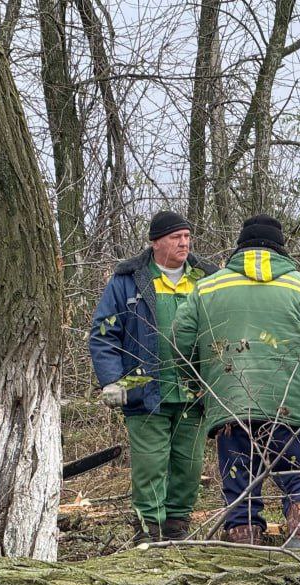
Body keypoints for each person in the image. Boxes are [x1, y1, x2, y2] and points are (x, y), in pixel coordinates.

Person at [173, 214, 300, 549]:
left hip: (233, 409)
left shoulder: (207, 288)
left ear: (239, 247)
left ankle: (245, 554)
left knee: (240, 485)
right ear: (281, 247)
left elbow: (179, 344)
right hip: (294, 409)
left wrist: (200, 392)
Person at [89, 211, 219, 542]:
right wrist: (112, 380)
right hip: (144, 389)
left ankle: (177, 529)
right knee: (150, 467)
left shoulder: (206, 279)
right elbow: (104, 334)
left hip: (193, 392)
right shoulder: (127, 281)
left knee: (188, 468)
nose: (185, 243)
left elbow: (222, 334)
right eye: (177, 237)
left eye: (188, 237)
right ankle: (149, 532)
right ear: (156, 242)